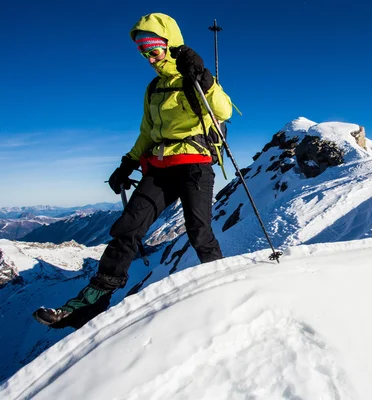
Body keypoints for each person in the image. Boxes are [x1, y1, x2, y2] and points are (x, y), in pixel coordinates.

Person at [33, 13, 232, 328]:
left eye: (153, 49)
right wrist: (128, 162)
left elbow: (223, 110)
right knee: (127, 229)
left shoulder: (192, 76)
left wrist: (202, 76)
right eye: (143, 51)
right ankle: (90, 303)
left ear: (170, 44)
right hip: (160, 167)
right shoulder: (153, 87)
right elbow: (147, 132)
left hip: (194, 164)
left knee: (199, 230)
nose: (149, 57)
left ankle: (227, 293)